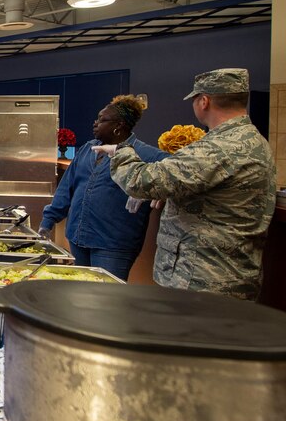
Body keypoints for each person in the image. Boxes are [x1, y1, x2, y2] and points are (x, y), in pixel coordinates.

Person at [98, 69, 275, 299]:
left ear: (204, 101)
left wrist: (120, 152)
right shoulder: (254, 141)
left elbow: (140, 181)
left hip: (203, 281)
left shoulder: (219, 147)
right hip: (229, 275)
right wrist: (173, 192)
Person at [39, 95, 166, 280]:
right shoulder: (87, 149)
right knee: (81, 295)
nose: (95, 123)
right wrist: (47, 221)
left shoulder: (145, 154)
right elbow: (66, 189)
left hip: (113, 245)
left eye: (102, 119)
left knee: (107, 300)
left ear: (119, 125)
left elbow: (177, 171)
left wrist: (155, 189)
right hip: (77, 238)